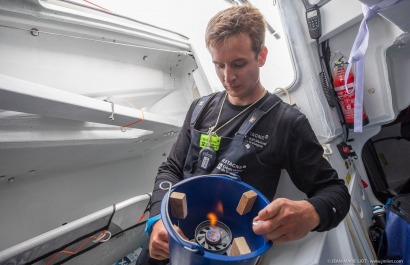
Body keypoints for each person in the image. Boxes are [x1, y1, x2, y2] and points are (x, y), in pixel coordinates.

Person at [137, 4, 350, 264]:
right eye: (219, 65)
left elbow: (336, 193)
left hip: (229, 251)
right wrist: (158, 220)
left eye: (238, 64)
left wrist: (310, 212)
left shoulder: (286, 123)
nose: (228, 77)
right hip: (171, 238)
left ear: (261, 55)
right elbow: (170, 168)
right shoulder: (200, 108)